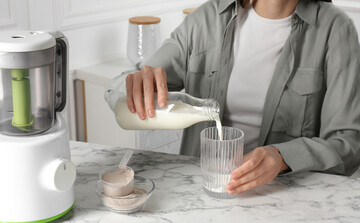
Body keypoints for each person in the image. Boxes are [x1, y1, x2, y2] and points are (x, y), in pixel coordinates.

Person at [106, 0, 360, 195]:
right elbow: (124, 85)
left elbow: (349, 142)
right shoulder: (207, 19)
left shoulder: (334, 28)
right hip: (203, 192)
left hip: (286, 196)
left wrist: (283, 157)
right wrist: (136, 85)